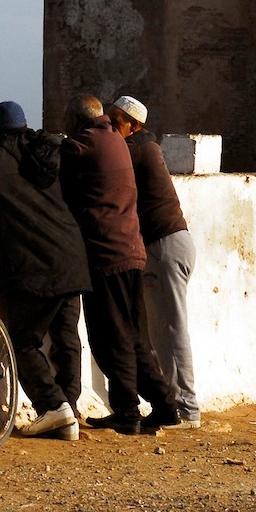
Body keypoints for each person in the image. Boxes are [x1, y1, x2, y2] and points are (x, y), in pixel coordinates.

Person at [0, 100, 92, 440]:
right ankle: (69, 412)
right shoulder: (52, 150)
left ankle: (53, 406)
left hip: (33, 263)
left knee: (23, 342)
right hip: (72, 255)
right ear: (26, 126)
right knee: (66, 338)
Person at [58, 93, 182, 434]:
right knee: (134, 335)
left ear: (74, 119)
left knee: (110, 337)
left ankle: (127, 411)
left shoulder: (81, 145)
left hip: (104, 253)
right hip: (131, 249)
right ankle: (165, 404)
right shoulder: (118, 141)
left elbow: (55, 178)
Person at [105, 96, 201, 429]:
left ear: (134, 125)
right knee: (162, 329)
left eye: (115, 120)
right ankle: (177, 405)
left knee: (170, 330)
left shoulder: (138, 150)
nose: (109, 125)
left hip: (163, 246)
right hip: (170, 244)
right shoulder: (146, 147)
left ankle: (186, 409)